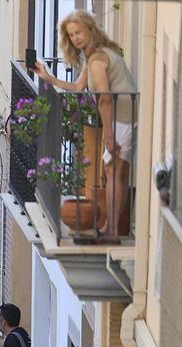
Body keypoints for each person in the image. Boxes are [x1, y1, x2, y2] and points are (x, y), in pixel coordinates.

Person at [30, 10, 136, 238]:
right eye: (71, 34)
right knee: (117, 172)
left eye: (78, 32)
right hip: (124, 116)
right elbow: (78, 87)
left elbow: (105, 99)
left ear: (90, 29)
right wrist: (48, 78)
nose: (75, 38)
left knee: (114, 172)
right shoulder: (95, 55)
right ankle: (112, 227)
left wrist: (109, 135)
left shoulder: (97, 60)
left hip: (121, 117)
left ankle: (111, 229)